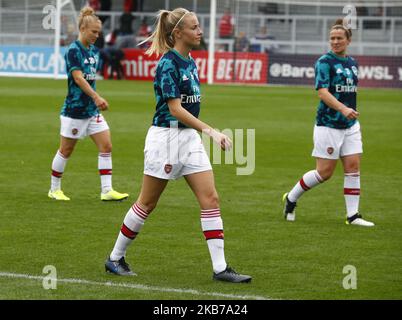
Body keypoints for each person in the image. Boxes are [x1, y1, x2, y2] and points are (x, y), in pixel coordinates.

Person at [105, 8, 252, 283]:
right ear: (178, 33)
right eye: (195, 27)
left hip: (188, 138)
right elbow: (175, 109)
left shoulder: (190, 60)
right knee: (147, 203)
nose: (200, 31)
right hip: (166, 138)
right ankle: (114, 258)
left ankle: (220, 268)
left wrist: (201, 133)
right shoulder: (167, 64)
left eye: (199, 26)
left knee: (211, 199)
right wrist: (211, 131)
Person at [282, 18, 375, 227]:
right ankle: (291, 198)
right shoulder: (324, 62)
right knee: (324, 173)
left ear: (348, 40)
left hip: (350, 125)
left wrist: (348, 112)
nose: (335, 41)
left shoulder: (353, 63)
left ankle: (353, 216)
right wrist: (342, 108)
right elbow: (322, 92)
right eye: (332, 38)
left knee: (353, 167)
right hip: (328, 124)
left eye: (339, 38)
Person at [48, 7, 129, 201]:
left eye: (98, 32)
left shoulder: (94, 51)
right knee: (66, 150)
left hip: (91, 111)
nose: (96, 35)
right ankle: (54, 189)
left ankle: (106, 190)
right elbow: (78, 78)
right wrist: (96, 96)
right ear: (83, 29)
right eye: (93, 32)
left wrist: (94, 100)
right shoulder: (73, 51)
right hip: (75, 110)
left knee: (106, 145)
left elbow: (90, 78)